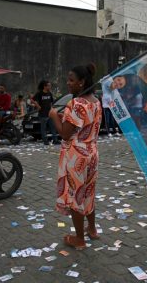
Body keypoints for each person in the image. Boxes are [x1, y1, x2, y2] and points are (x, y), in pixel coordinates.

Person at [49, 63, 102, 250]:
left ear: (82, 82)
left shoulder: (75, 103)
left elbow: (65, 133)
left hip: (76, 155)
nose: (68, 83)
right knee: (88, 192)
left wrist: (54, 115)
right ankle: (92, 229)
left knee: (75, 196)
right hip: (92, 152)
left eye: (72, 80)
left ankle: (79, 239)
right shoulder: (95, 101)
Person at [33, 80, 60, 145]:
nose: (50, 87)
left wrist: (51, 109)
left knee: (52, 127)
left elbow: (51, 103)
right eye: (48, 86)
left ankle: (55, 140)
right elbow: (33, 100)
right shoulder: (39, 93)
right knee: (43, 128)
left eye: (50, 85)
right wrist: (38, 106)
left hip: (49, 114)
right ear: (44, 86)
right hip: (42, 114)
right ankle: (45, 141)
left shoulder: (49, 93)